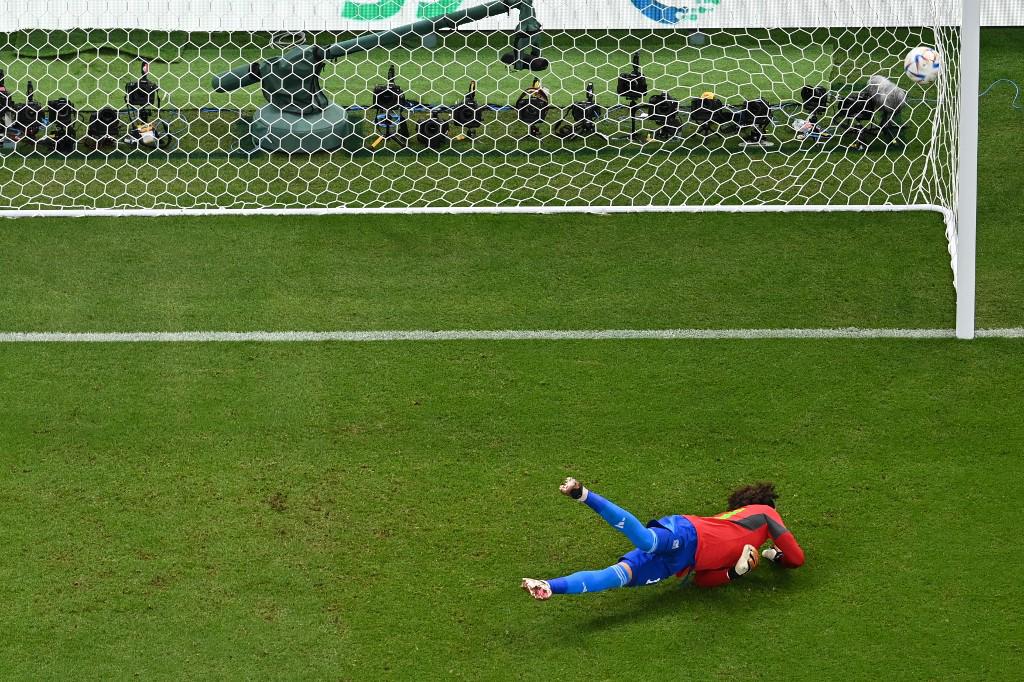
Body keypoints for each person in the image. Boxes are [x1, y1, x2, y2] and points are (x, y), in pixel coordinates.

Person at [521, 477, 804, 600]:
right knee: (647, 541)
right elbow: (797, 559)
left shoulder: (744, 549)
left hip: (681, 562)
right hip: (689, 532)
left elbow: (702, 580)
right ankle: (583, 494)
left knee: (617, 576)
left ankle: (548, 585)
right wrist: (778, 556)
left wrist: (734, 573)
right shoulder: (766, 513)